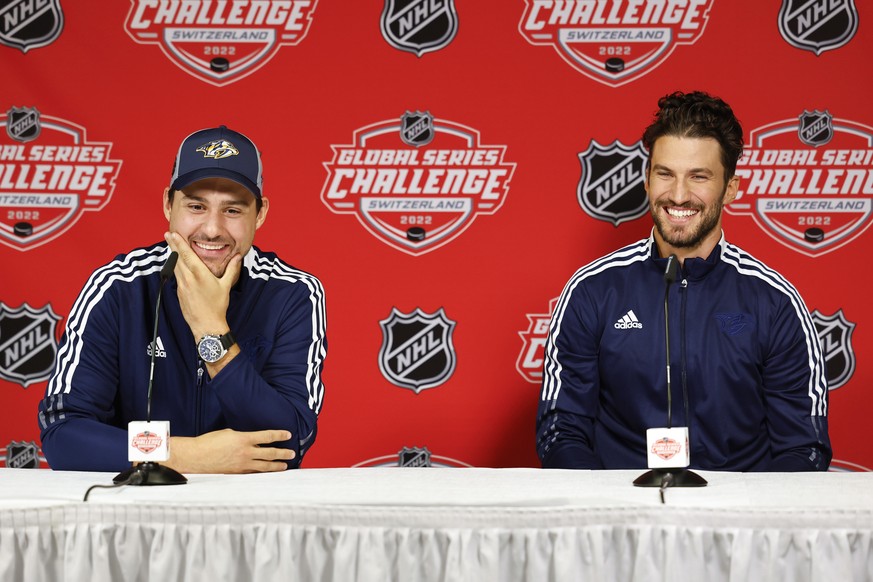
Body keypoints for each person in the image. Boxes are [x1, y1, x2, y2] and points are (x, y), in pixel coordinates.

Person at [536, 91, 831, 471]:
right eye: (665, 174)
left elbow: (804, 446)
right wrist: (610, 512)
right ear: (646, 180)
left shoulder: (774, 302)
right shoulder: (593, 290)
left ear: (731, 188)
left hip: (738, 522)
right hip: (622, 517)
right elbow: (561, 431)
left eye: (698, 177)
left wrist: (744, 522)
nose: (678, 195)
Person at [38, 125, 327, 473]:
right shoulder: (118, 286)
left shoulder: (293, 292)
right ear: (167, 204)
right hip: (134, 512)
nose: (212, 229)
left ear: (260, 213)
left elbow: (288, 443)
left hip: (250, 515)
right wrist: (184, 455)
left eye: (233, 211)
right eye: (196, 206)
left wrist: (211, 330)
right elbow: (64, 436)